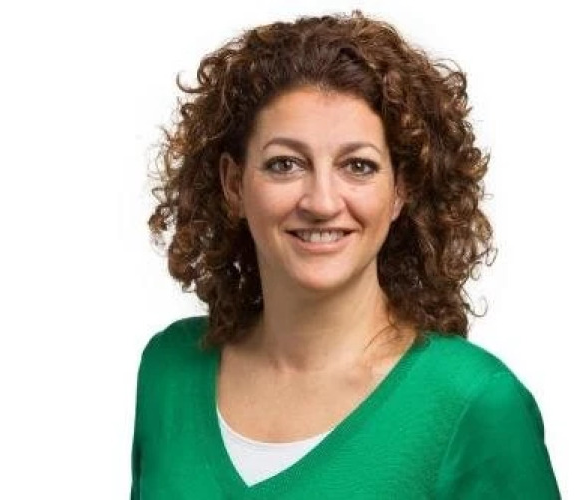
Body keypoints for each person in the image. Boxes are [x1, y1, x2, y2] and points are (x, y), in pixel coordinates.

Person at [131, 10, 560, 499]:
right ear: (233, 184)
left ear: (400, 189)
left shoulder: (474, 403)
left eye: (358, 166)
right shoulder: (170, 370)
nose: (321, 202)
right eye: (285, 164)